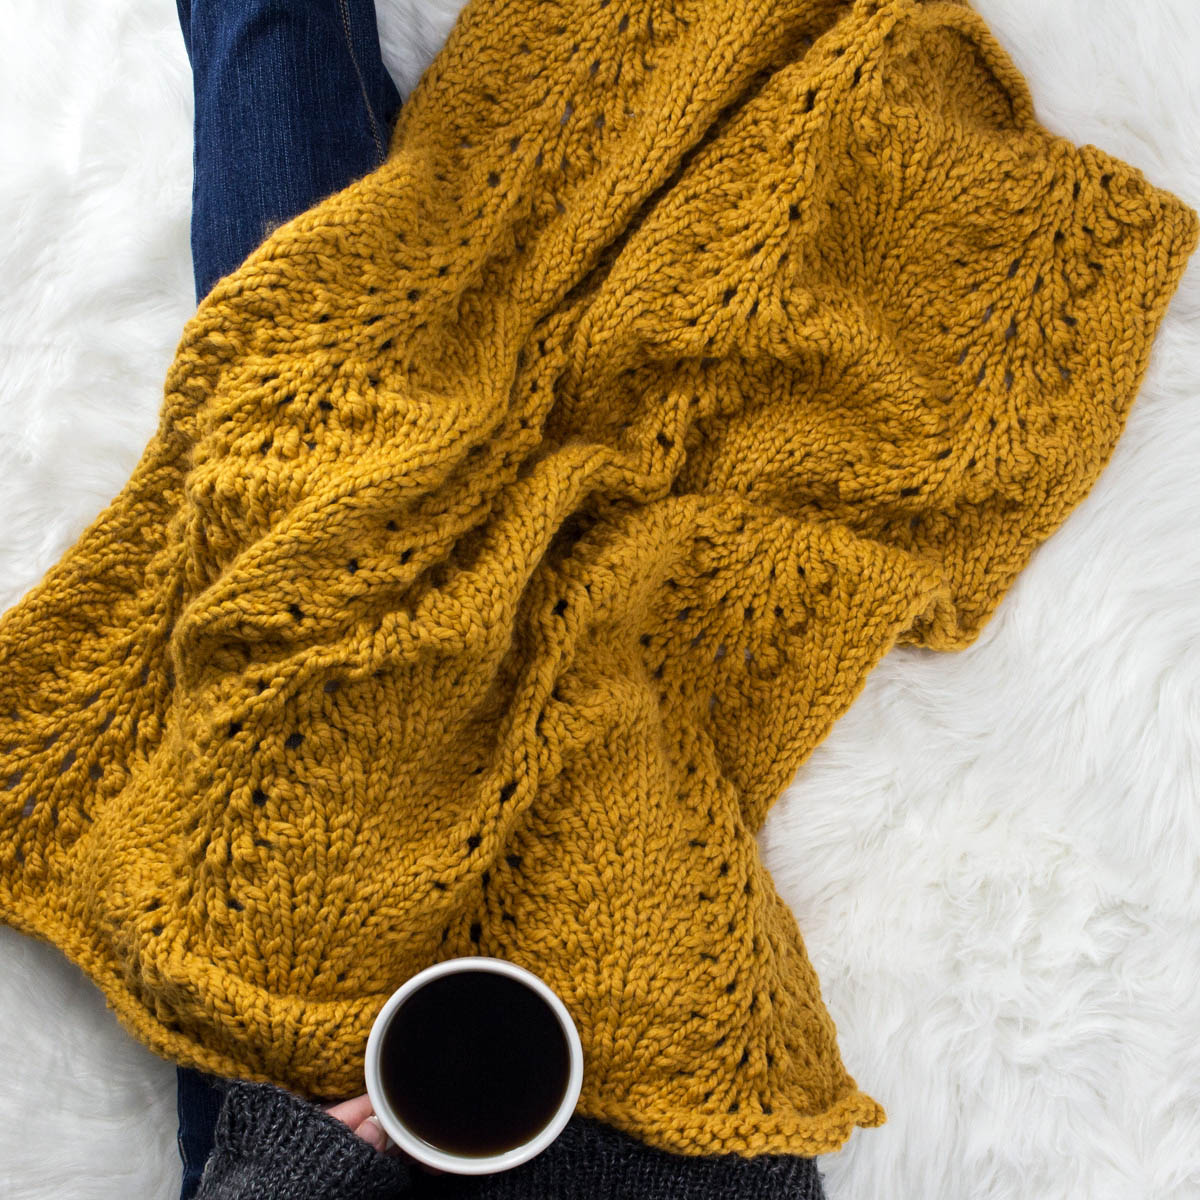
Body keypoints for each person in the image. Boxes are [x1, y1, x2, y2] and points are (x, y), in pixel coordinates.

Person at [171, 2, 826, 1197]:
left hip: (326, 1094)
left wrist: (289, 1175)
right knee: (568, 503)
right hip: (623, 1048)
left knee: (307, 481)